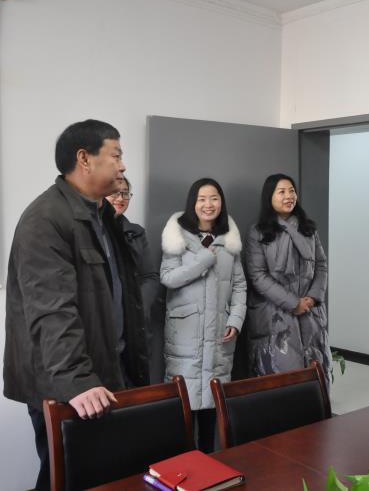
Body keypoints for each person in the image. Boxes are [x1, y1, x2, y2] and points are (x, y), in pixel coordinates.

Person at [4, 119, 149, 490]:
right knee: (67, 477)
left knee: (106, 475)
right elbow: (51, 309)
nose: (123, 165)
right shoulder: (45, 219)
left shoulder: (103, 216)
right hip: (69, 386)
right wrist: (77, 381)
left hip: (107, 373)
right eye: (116, 155)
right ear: (84, 159)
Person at [160, 178, 246, 452]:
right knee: (182, 412)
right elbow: (168, 278)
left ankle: (209, 464)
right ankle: (185, 469)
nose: (208, 204)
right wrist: (203, 260)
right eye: (202, 199)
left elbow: (240, 285)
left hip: (219, 335)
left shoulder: (229, 239)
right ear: (193, 203)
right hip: (186, 336)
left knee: (211, 408)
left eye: (214, 198)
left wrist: (235, 320)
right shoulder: (177, 235)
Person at [244, 173, 332, 386]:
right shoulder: (258, 232)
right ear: (270, 197)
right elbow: (258, 276)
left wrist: (312, 298)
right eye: (281, 192)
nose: (288, 196)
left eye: (292, 191)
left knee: (316, 374)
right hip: (275, 314)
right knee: (281, 378)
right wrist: (293, 303)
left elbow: (321, 265)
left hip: (310, 312)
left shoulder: (308, 229)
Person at [106, 176, 161, 381]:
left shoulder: (136, 232)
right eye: (115, 193)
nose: (120, 198)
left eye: (125, 193)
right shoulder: (93, 231)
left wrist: (137, 309)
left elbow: (150, 276)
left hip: (135, 325)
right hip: (106, 325)